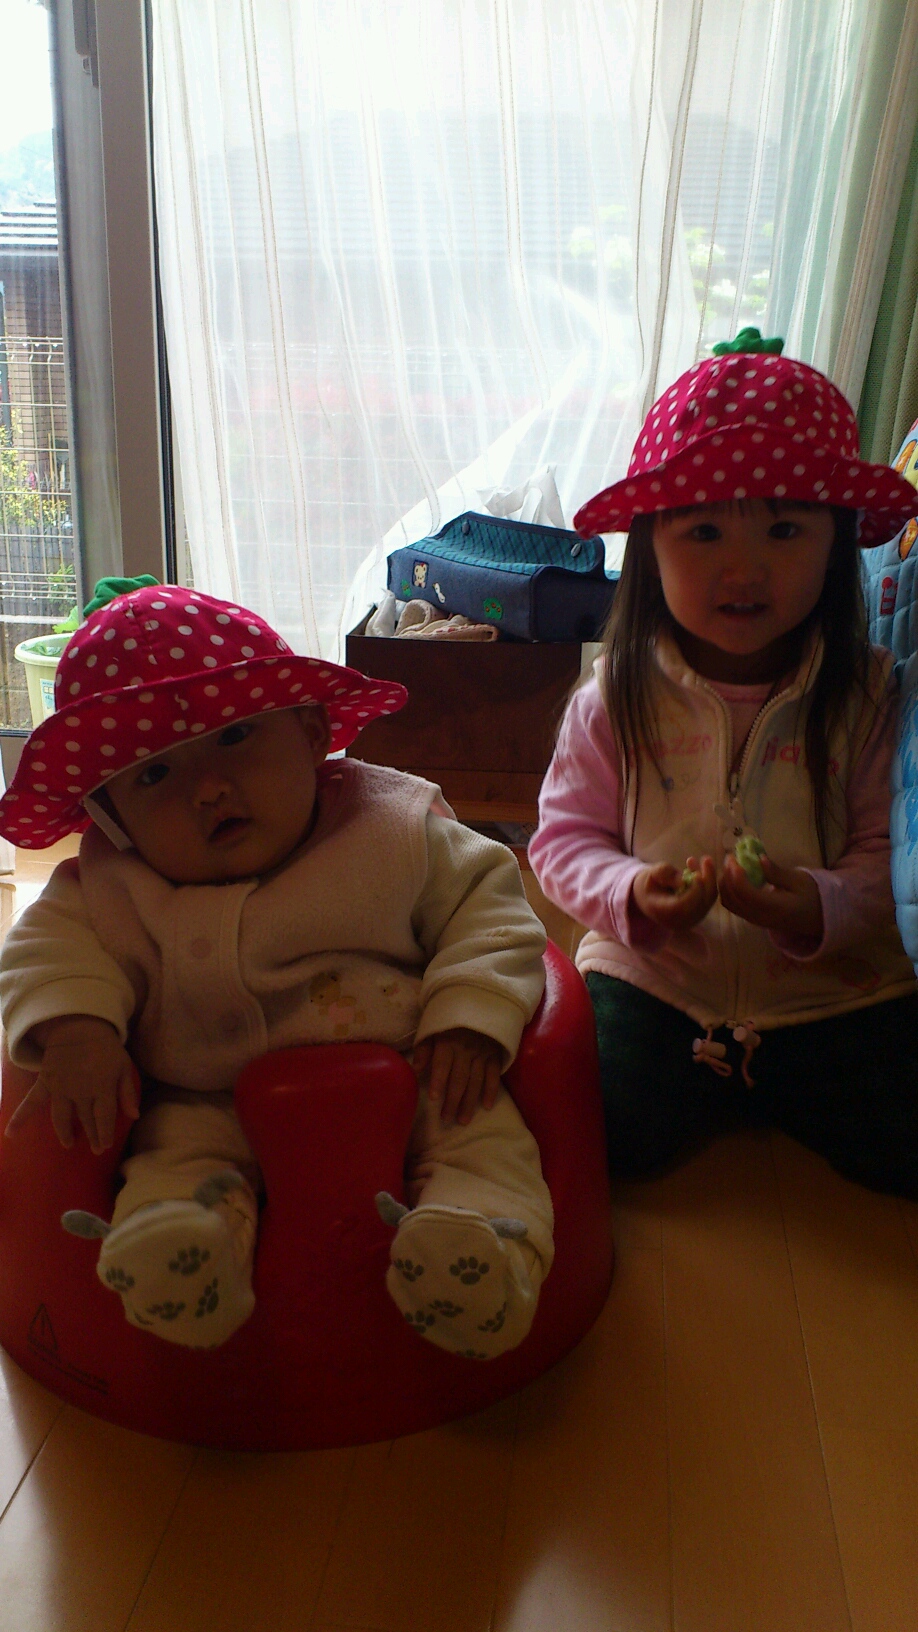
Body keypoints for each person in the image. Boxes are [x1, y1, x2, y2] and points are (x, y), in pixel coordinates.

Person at [0, 583, 553, 1356]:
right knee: (169, 1168)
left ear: (310, 731)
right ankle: (189, 1261)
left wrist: (469, 1014)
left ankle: (478, 1257)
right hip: (204, 1099)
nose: (208, 788)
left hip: (418, 1074)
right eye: (153, 776)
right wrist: (74, 1028)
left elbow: (490, 910)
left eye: (235, 737)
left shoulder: (392, 827)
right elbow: (42, 952)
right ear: (111, 814)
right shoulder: (108, 883)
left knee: (482, 1141)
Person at [529, 331, 918, 1194]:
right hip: (661, 981)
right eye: (703, 531)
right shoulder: (614, 695)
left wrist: (813, 904)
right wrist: (632, 891)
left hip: (834, 989)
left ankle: (757, 1081)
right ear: (649, 548)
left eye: (784, 529)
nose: (744, 568)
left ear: (837, 544)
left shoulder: (869, 693)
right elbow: (561, 844)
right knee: (592, 1136)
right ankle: (728, 1079)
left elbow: (885, 855)